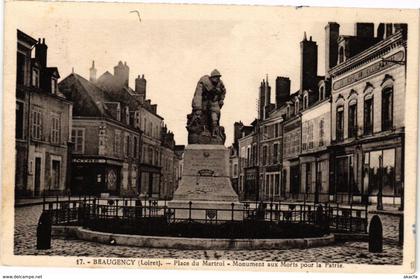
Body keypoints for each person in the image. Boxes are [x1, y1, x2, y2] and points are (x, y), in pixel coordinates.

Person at [191, 69, 226, 137]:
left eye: (218, 77)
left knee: (215, 115)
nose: (217, 79)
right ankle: (204, 130)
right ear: (211, 77)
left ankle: (215, 131)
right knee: (203, 114)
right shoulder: (203, 82)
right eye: (216, 77)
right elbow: (198, 95)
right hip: (204, 100)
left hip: (214, 101)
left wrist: (221, 99)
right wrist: (198, 108)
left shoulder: (220, 83)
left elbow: (223, 91)